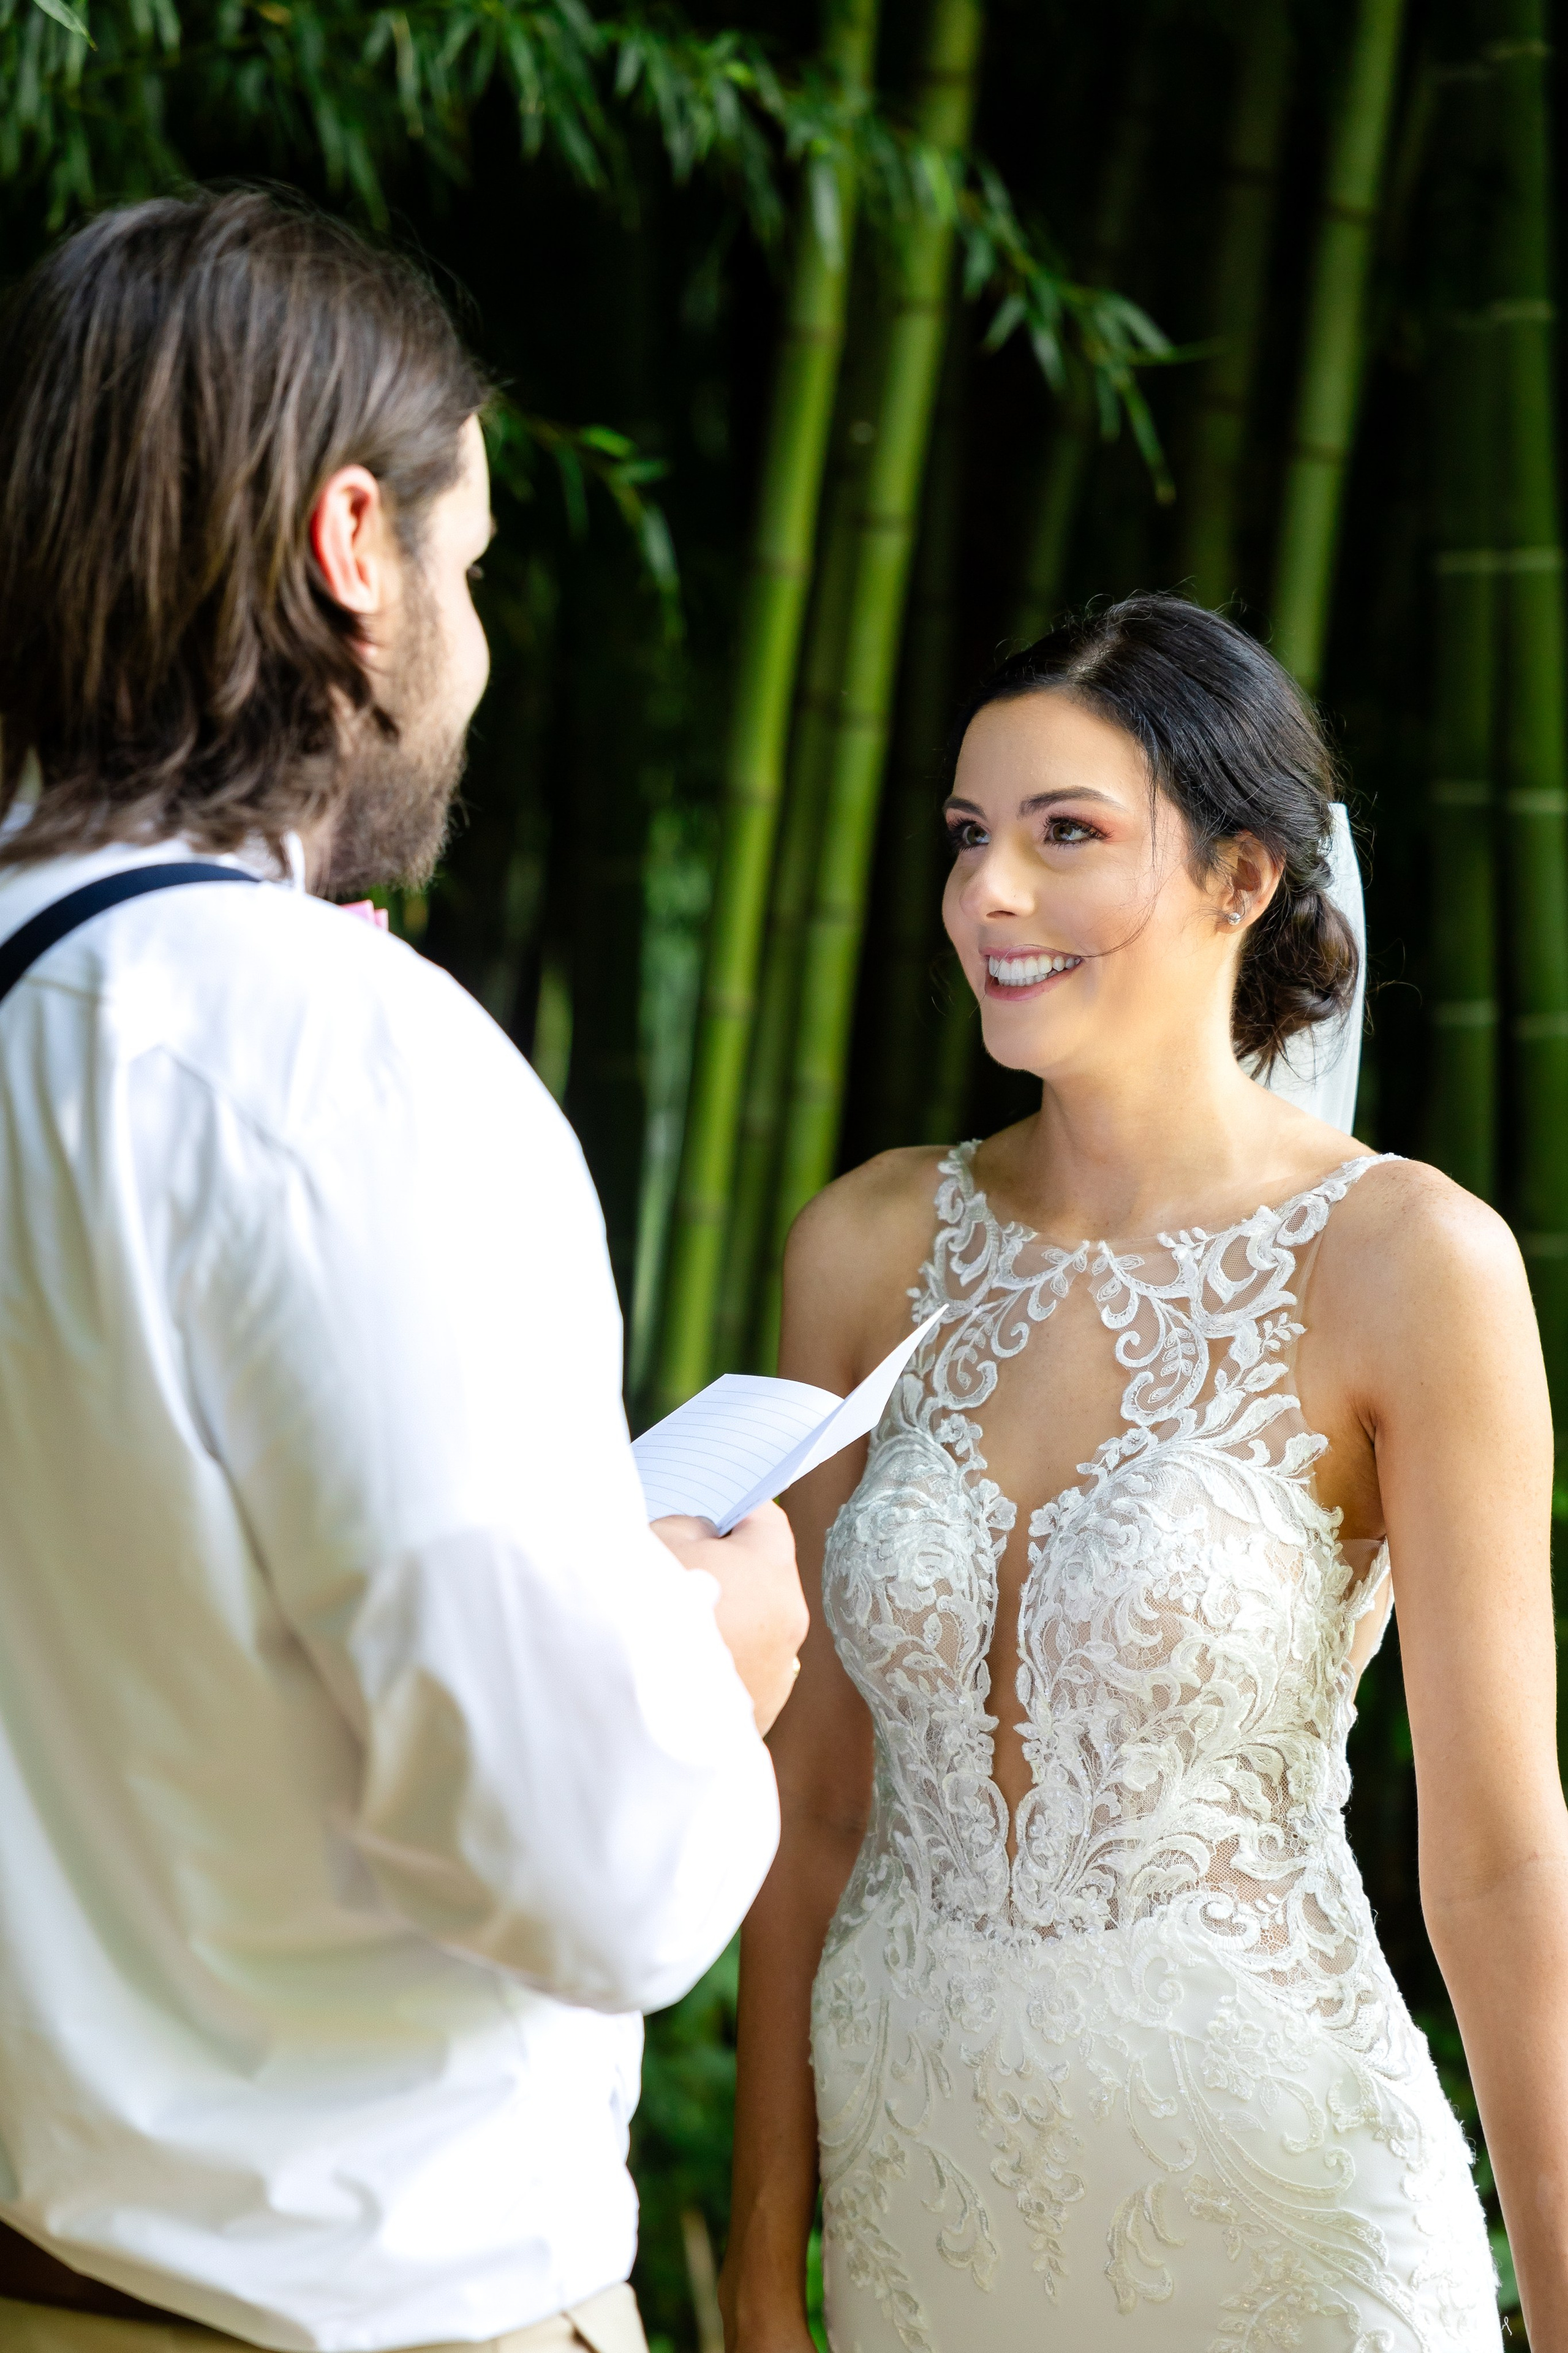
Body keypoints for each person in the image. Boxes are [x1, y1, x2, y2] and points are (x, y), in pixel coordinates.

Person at [0, 191, 806, 2352]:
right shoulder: (337, 1063)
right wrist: (706, 1648)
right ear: (353, 547)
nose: (479, 639)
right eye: (468, 564)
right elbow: (580, 1849)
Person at [721, 595, 1568, 2352]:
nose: (989, 897)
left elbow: (1494, 1864)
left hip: (1280, 2218)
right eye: (969, 839)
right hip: (921, 2220)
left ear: (1243, 879)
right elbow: (806, 1807)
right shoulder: (864, 1245)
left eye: (1066, 836)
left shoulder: (1412, 1260)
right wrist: (757, 2263)